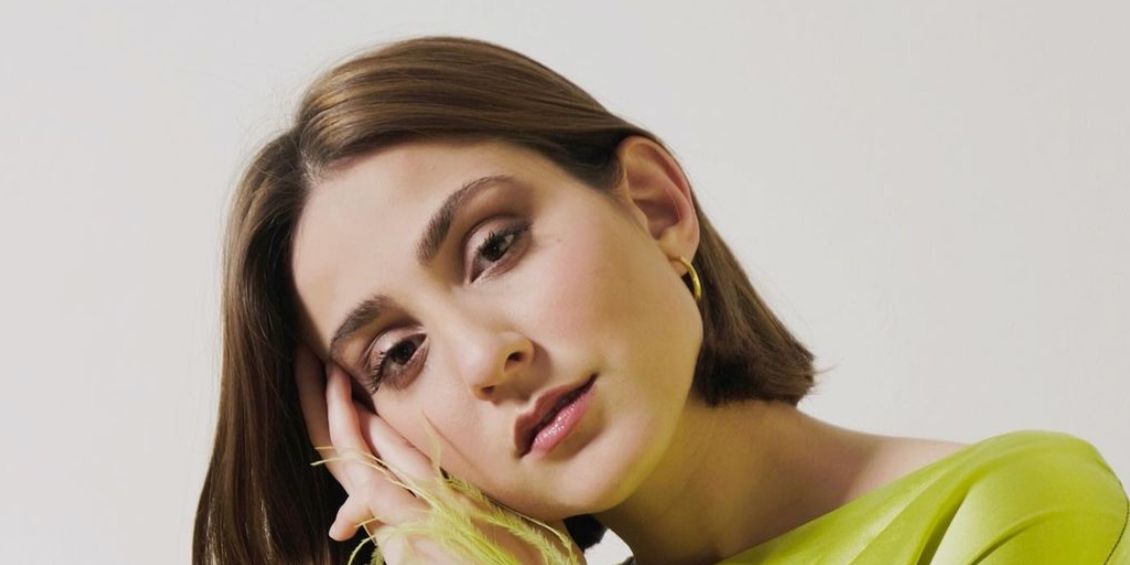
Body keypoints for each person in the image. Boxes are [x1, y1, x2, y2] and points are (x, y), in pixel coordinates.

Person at [192, 35, 1129, 564]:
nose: (483, 358)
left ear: (655, 205)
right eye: (398, 355)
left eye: (495, 246)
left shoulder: (1006, 511)